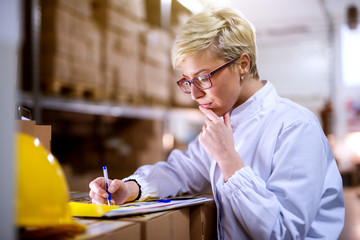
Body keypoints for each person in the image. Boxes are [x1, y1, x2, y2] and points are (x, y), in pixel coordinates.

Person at [89, 7, 345, 239]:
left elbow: (283, 233)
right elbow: (181, 171)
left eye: (202, 78)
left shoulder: (295, 127)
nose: (194, 94)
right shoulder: (224, 122)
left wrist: (228, 159)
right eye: (188, 81)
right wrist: (131, 188)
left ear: (242, 65)